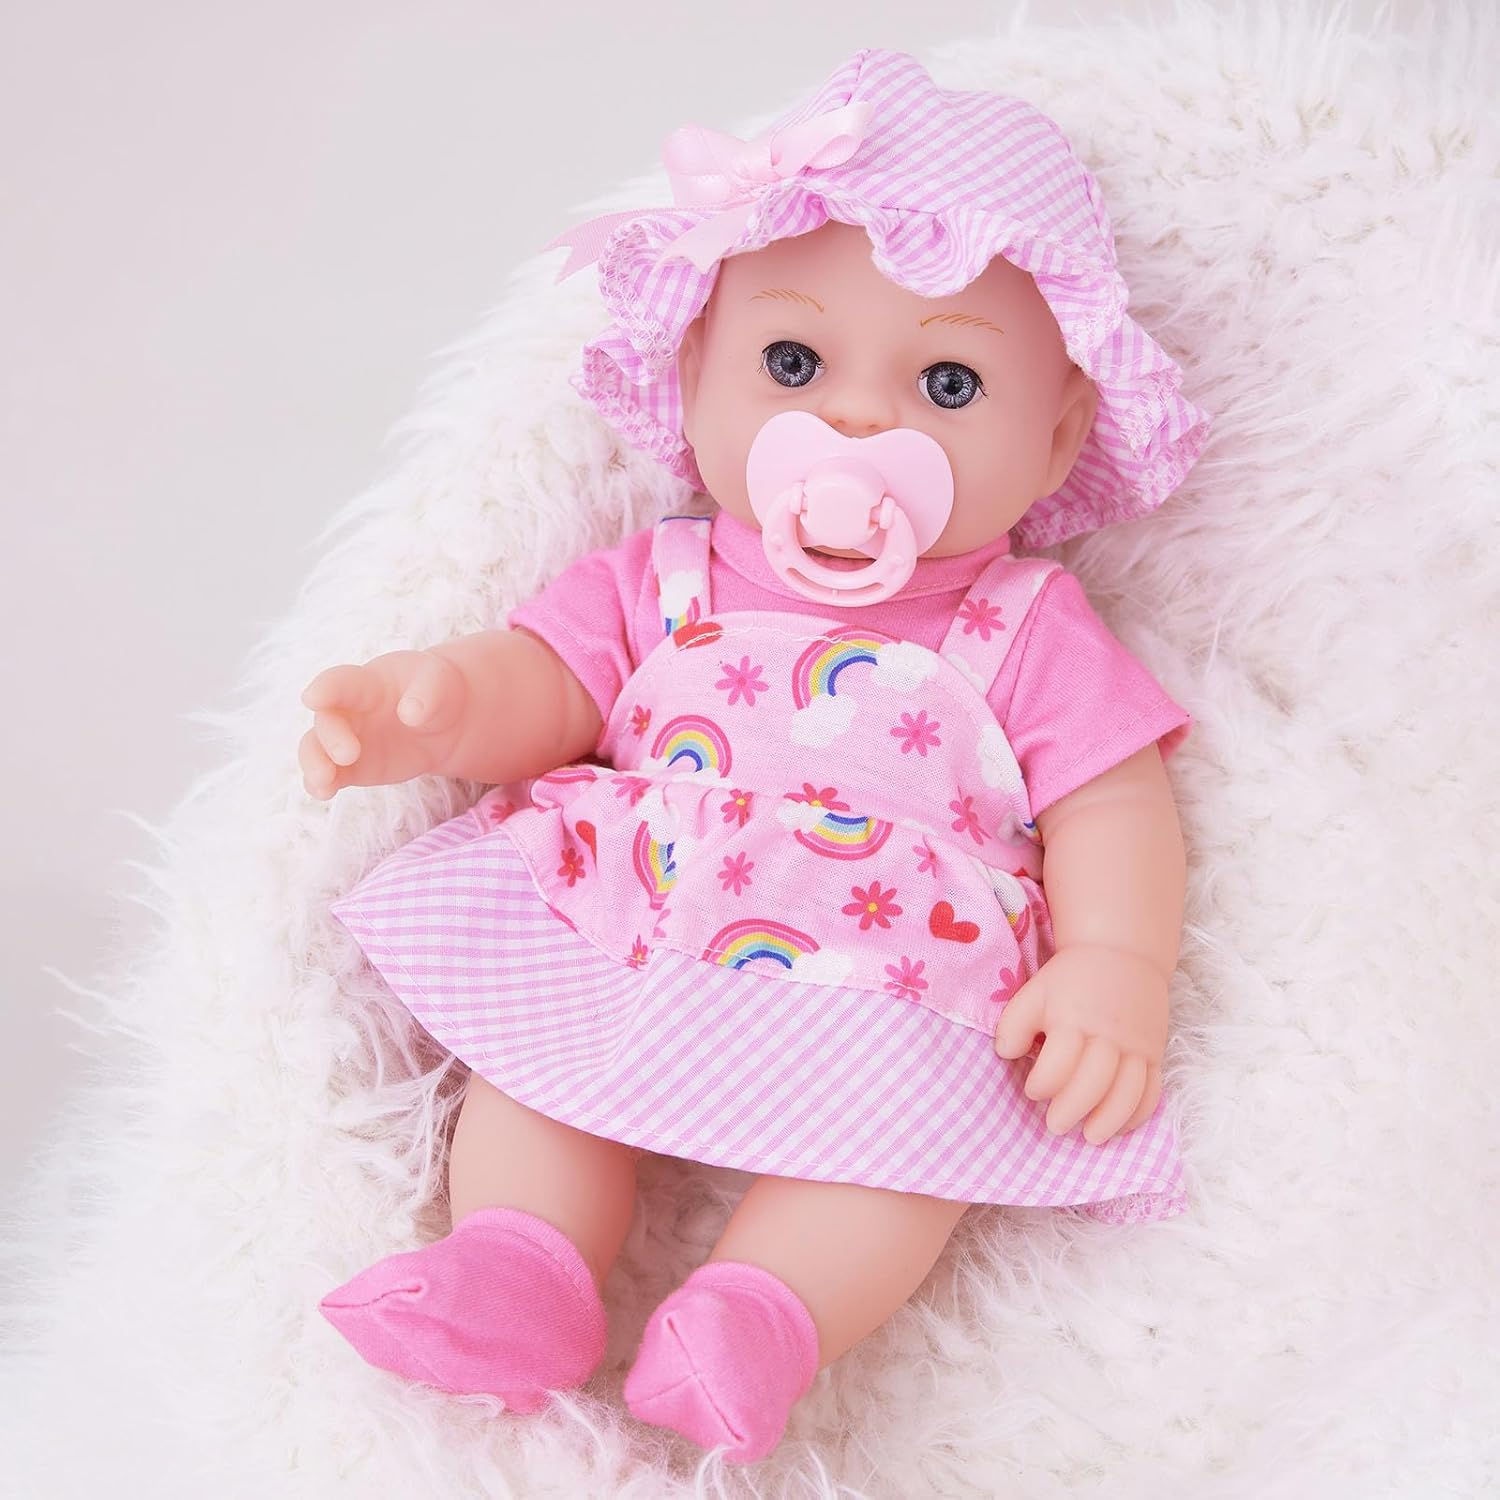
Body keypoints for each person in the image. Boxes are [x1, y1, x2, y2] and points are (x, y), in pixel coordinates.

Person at [302, 48, 1211, 1465]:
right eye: (793, 364)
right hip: (638, 908)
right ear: (695, 377)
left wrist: (1117, 964)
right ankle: (520, 1270)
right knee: (535, 1067)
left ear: (1057, 441)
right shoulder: (663, 575)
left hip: (888, 966)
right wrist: (437, 706)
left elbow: (1111, 797)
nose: (857, 420)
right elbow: (550, 684)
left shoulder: (1025, 622)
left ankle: (760, 1320)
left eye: (949, 381)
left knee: (900, 1155)